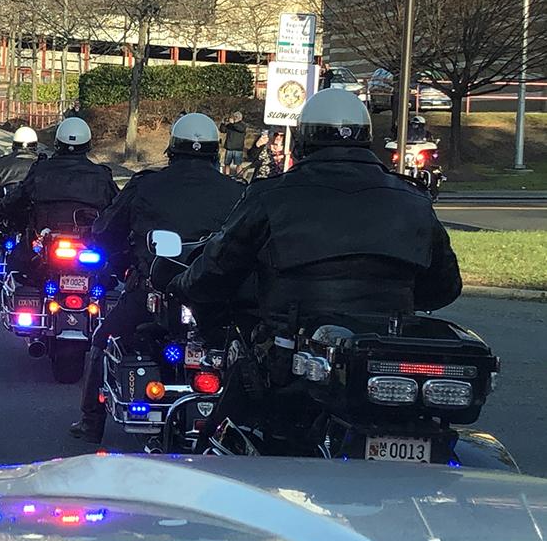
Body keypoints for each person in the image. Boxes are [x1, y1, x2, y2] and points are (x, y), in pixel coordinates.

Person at [171, 89, 461, 448]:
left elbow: (215, 271)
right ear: (366, 139)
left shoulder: (272, 195)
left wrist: (180, 282)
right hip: (385, 361)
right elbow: (445, 287)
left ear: (303, 141)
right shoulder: (412, 198)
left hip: (290, 367)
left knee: (220, 438)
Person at [69, 114, 246, 443]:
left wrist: (108, 248)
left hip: (153, 293)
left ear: (173, 150)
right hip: (217, 302)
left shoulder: (146, 184)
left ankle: (90, 422)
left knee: (103, 339)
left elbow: (107, 231)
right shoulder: (237, 192)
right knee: (243, 354)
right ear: (214, 152)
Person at [0, 117, 117, 282]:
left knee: (16, 266)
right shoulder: (101, 175)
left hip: (45, 240)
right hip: (87, 243)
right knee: (110, 276)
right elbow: (117, 206)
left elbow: (18, 198)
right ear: (88, 144)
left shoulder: (41, 169)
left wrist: (2, 212)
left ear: (57, 142)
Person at [219, 111, 247, 176]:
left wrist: (233, 123)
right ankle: (227, 176)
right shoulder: (230, 125)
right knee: (227, 164)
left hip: (238, 149)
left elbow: (240, 129)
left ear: (240, 118)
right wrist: (223, 123)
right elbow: (223, 130)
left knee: (238, 164)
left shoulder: (242, 125)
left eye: (236, 117)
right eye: (234, 117)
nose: (235, 118)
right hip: (229, 147)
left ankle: (239, 177)